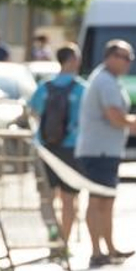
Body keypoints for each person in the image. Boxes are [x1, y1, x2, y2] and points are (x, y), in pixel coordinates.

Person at [74, 39, 136, 267]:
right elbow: (114, 115)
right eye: (125, 57)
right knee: (98, 200)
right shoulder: (105, 81)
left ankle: (109, 248)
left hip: (104, 150)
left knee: (106, 200)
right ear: (110, 57)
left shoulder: (108, 79)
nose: (129, 63)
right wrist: (132, 122)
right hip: (99, 151)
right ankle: (97, 251)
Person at [30, 43, 86, 250]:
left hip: (45, 147)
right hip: (71, 148)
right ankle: (65, 242)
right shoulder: (81, 88)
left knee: (47, 196)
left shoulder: (45, 86)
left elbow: (33, 112)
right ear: (72, 60)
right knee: (69, 198)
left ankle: (53, 233)